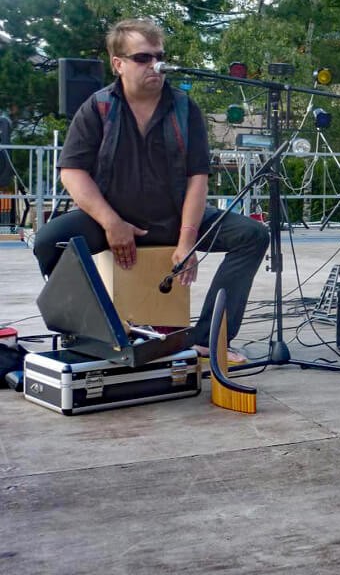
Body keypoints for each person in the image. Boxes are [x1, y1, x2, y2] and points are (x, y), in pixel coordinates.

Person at [33, 18, 269, 362]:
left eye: (159, 56)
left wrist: (188, 239)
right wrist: (111, 223)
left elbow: (197, 178)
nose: (155, 65)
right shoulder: (97, 107)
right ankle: (93, 330)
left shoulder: (186, 109)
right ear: (118, 64)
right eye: (142, 58)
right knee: (48, 242)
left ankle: (208, 339)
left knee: (252, 235)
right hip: (111, 219)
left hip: (175, 216)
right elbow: (72, 172)